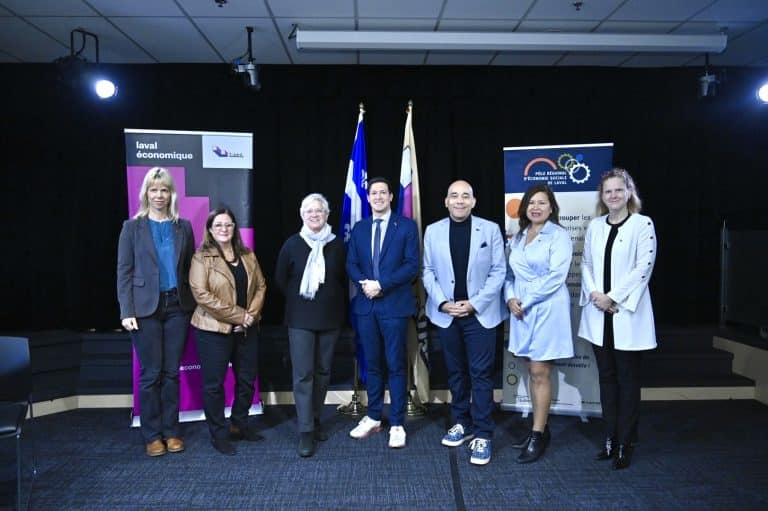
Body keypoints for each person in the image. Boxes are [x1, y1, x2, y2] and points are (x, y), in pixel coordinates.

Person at [422, 180, 507, 466]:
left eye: (465, 196)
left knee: (481, 374)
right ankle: (462, 422)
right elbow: (428, 271)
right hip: (446, 314)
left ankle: (483, 432)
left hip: (479, 314)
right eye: (454, 196)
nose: (459, 200)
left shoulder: (490, 229)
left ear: (473, 201)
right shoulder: (433, 231)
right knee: (456, 373)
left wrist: (474, 303)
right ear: (446, 201)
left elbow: (499, 272)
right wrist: (443, 303)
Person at [578, 168, 657, 470]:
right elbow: (585, 263)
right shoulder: (595, 226)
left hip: (626, 314)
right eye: (607, 191)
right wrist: (598, 295)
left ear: (629, 193)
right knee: (607, 381)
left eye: (618, 190)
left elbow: (643, 267)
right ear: (602, 196)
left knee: (628, 381)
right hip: (600, 315)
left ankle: (626, 442)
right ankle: (609, 439)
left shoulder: (642, 224)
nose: (613, 195)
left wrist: (613, 297)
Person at [117, 167, 196, 457]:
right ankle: (152, 435)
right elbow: (124, 271)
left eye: (164, 190)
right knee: (151, 374)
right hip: (145, 309)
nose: (159, 195)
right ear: (146, 193)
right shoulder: (132, 227)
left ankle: (171, 431)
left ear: (171, 193)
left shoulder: (183, 226)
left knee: (171, 372)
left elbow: (190, 268)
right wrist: (126, 310)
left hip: (178, 307)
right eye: (154, 189)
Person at [346, 176, 419, 449]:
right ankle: (374, 416)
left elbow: (412, 265)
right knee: (373, 364)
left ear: (391, 197)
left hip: (394, 305)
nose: (377, 197)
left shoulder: (406, 227)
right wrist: (365, 284)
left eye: (382, 193)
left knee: (396, 365)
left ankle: (397, 422)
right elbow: (351, 262)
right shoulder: (360, 228)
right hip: (366, 306)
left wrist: (382, 285)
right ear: (368, 198)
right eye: (373, 193)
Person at [504, 183, 573, 464]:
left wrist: (525, 301)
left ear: (552, 207)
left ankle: (537, 435)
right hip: (521, 310)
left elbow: (556, 277)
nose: (536, 207)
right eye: (531, 202)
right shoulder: (518, 236)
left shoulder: (559, 236)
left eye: (542, 202)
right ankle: (541, 428)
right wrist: (510, 298)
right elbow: (508, 274)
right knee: (531, 371)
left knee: (539, 371)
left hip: (546, 308)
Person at [189, 208, 267, 456]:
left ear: (235, 227)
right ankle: (219, 434)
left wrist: (249, 318)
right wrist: (238, 316)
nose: (224, 229)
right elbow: (202, 295)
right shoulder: (201, 257)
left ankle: (239, 424)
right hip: (213, 330)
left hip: (246, 329)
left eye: (229, 224)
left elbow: (261, 287)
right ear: (210, 229)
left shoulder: (248, 255)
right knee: (214, 385)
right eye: (219, 225)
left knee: (246, 380)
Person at [275, 193, 347, 458]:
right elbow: (282, 280)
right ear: (302, 215)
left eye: (320, 211)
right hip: (300, 319)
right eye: (310, 211)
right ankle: (305, 431)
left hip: (330, 318)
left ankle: (315, 420)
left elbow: (342, 278)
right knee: (303, 375)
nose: (315, 215)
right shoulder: (292, 244)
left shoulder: (338, 245)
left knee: (323, 372)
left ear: (327, 215)